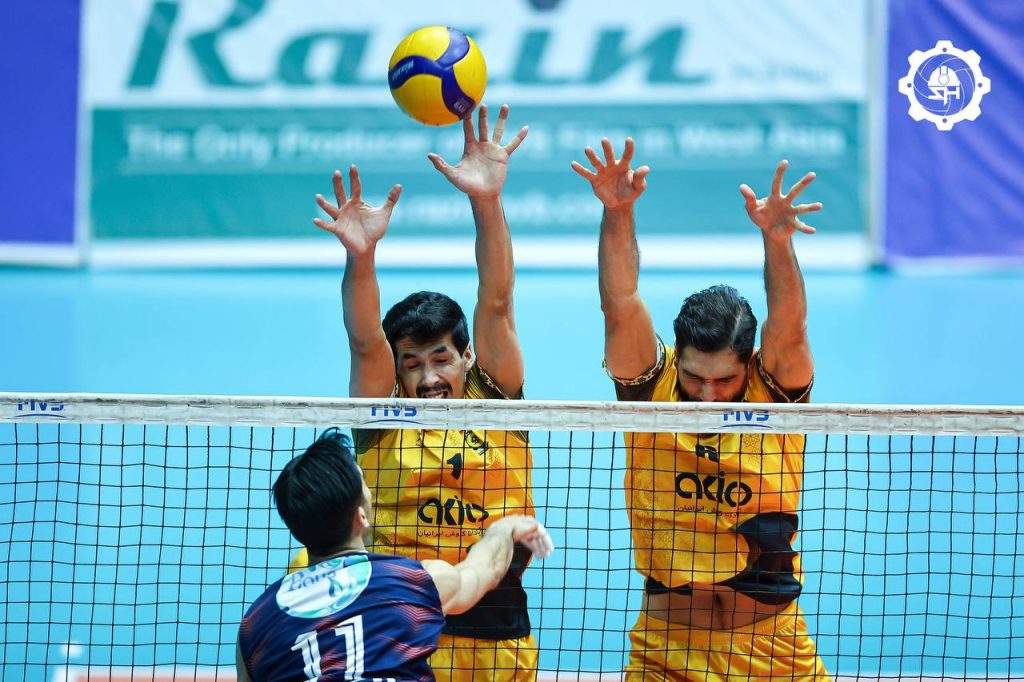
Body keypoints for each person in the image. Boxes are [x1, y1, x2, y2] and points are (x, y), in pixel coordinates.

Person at [572, 138, 831, 680]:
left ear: (751, 364)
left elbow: (790, 326)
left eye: (725, 380)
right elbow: (619, 304)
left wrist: (777, 242)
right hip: (666, 655)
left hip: (775, 654)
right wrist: (618, 211)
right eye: (695, 378)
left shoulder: (775, 393)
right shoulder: (650, 388)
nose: (708, 396)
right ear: (676, 357)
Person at [308, 104, 539, 681]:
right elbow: (365, 341)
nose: (430, 378)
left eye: (441, 359)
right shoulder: (383, 419)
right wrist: (361, 258)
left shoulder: (498, 402)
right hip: (401, 641)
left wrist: (486, 200)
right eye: (412, 364)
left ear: (468, 357)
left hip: (499, 644)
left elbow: (497, 301)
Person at [236, 429, 553, 681]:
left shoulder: (256, 624)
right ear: (361, 516)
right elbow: (483, 570)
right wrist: (507, 527)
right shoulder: (412, 583)